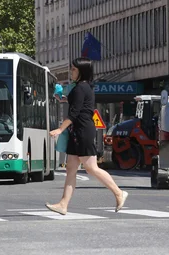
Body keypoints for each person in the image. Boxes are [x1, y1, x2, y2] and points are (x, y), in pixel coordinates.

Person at [45, 57, 128, 215]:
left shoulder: (80, 88)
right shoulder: (82, 87)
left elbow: (74, 113)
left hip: (82, 130)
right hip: (79, 131)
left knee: (91, 167)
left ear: (82, 71)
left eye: (74, 69)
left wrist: (60, 129)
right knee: (71, 168)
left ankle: (119, 193)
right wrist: (62, 98)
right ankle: (63, 204)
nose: (71, 71)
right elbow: (76, 103)